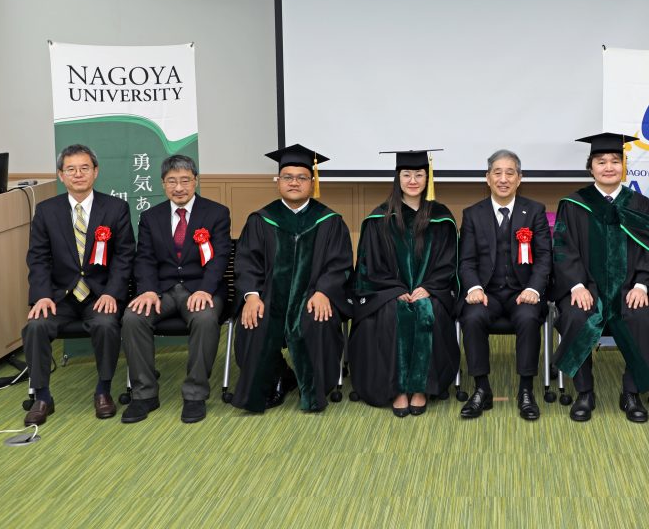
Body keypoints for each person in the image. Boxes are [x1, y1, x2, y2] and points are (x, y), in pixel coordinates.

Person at [550, 133, 649, 423]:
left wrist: (642, 285)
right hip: (587, 288)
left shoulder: (639, 204)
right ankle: (584, 392)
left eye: (616, 161)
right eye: (601, 162)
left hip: (629, 289)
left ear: (624, 166)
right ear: (591, 168)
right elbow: (563, 248)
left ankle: (631, 392)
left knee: (642, 316)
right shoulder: (575, 203)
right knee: (577, 316)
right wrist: (576, 285)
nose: (609, 167)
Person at [231, 144, 353, 414]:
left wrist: (324, 292)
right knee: (254, 322)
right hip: (269, 297)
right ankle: (274, 379)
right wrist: (251, 296)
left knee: (317, 320)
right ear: (278, 182)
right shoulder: (261, 220)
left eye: (301, 177)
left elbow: (340, 265)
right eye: (287, 177)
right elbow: (247, 263)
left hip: (312, 296)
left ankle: (315, 388)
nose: (294, 182)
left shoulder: (329, 221)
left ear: (312, 182)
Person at [21, 143, 135, 426]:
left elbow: (124, 256)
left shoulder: (116, 208)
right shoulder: (47, 211)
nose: (78, 174)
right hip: (60, 297)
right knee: (35, 325)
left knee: (106, 324)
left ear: (95, 172)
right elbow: (38, 258)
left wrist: (111, 293)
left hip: (100, 295)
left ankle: (103, 390)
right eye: (70, 169)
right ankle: (43, 396)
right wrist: (42, 297)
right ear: (61, 175)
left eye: (85, 168)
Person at [120, 155, 232, 424]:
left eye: (185, 180)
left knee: (205, 319)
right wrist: (147, 290)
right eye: (172, 181)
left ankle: (194, 395)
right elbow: (144, 257)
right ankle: (144, 394)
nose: (179, 187)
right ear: (162, 184)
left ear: (195, 181)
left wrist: (206, 290)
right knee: (133, 318)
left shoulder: (216, 213)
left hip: (201, 288)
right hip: (162, 290)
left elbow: (220, 257)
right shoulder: (150, 216)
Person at [347, 150, 460, 417]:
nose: (413, 180)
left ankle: (420, 387)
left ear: (427, 178)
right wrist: (396, 290)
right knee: (390, 313)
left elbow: (449, 263)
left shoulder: (442, 218)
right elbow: (369, 266)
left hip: (430, 291)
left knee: (427, 310)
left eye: (419, 175)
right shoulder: (379, 218)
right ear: (397, 178)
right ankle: (398, 389)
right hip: (387, 293)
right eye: (407, 174)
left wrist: (429, 287)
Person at [457, 150, 551, 421]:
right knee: (472, 317)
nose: (503, 178)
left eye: (510, 173)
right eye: (497, 173)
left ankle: (525, 390)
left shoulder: (534, 211)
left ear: (519, 179)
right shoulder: (473, 214)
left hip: (523, 293)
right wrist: (474, 288)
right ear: (487, 178)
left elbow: (545, 256)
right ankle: (481, 389)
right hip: (487, 293)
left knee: (529, 318)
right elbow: (466, 261)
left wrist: (533, 289)